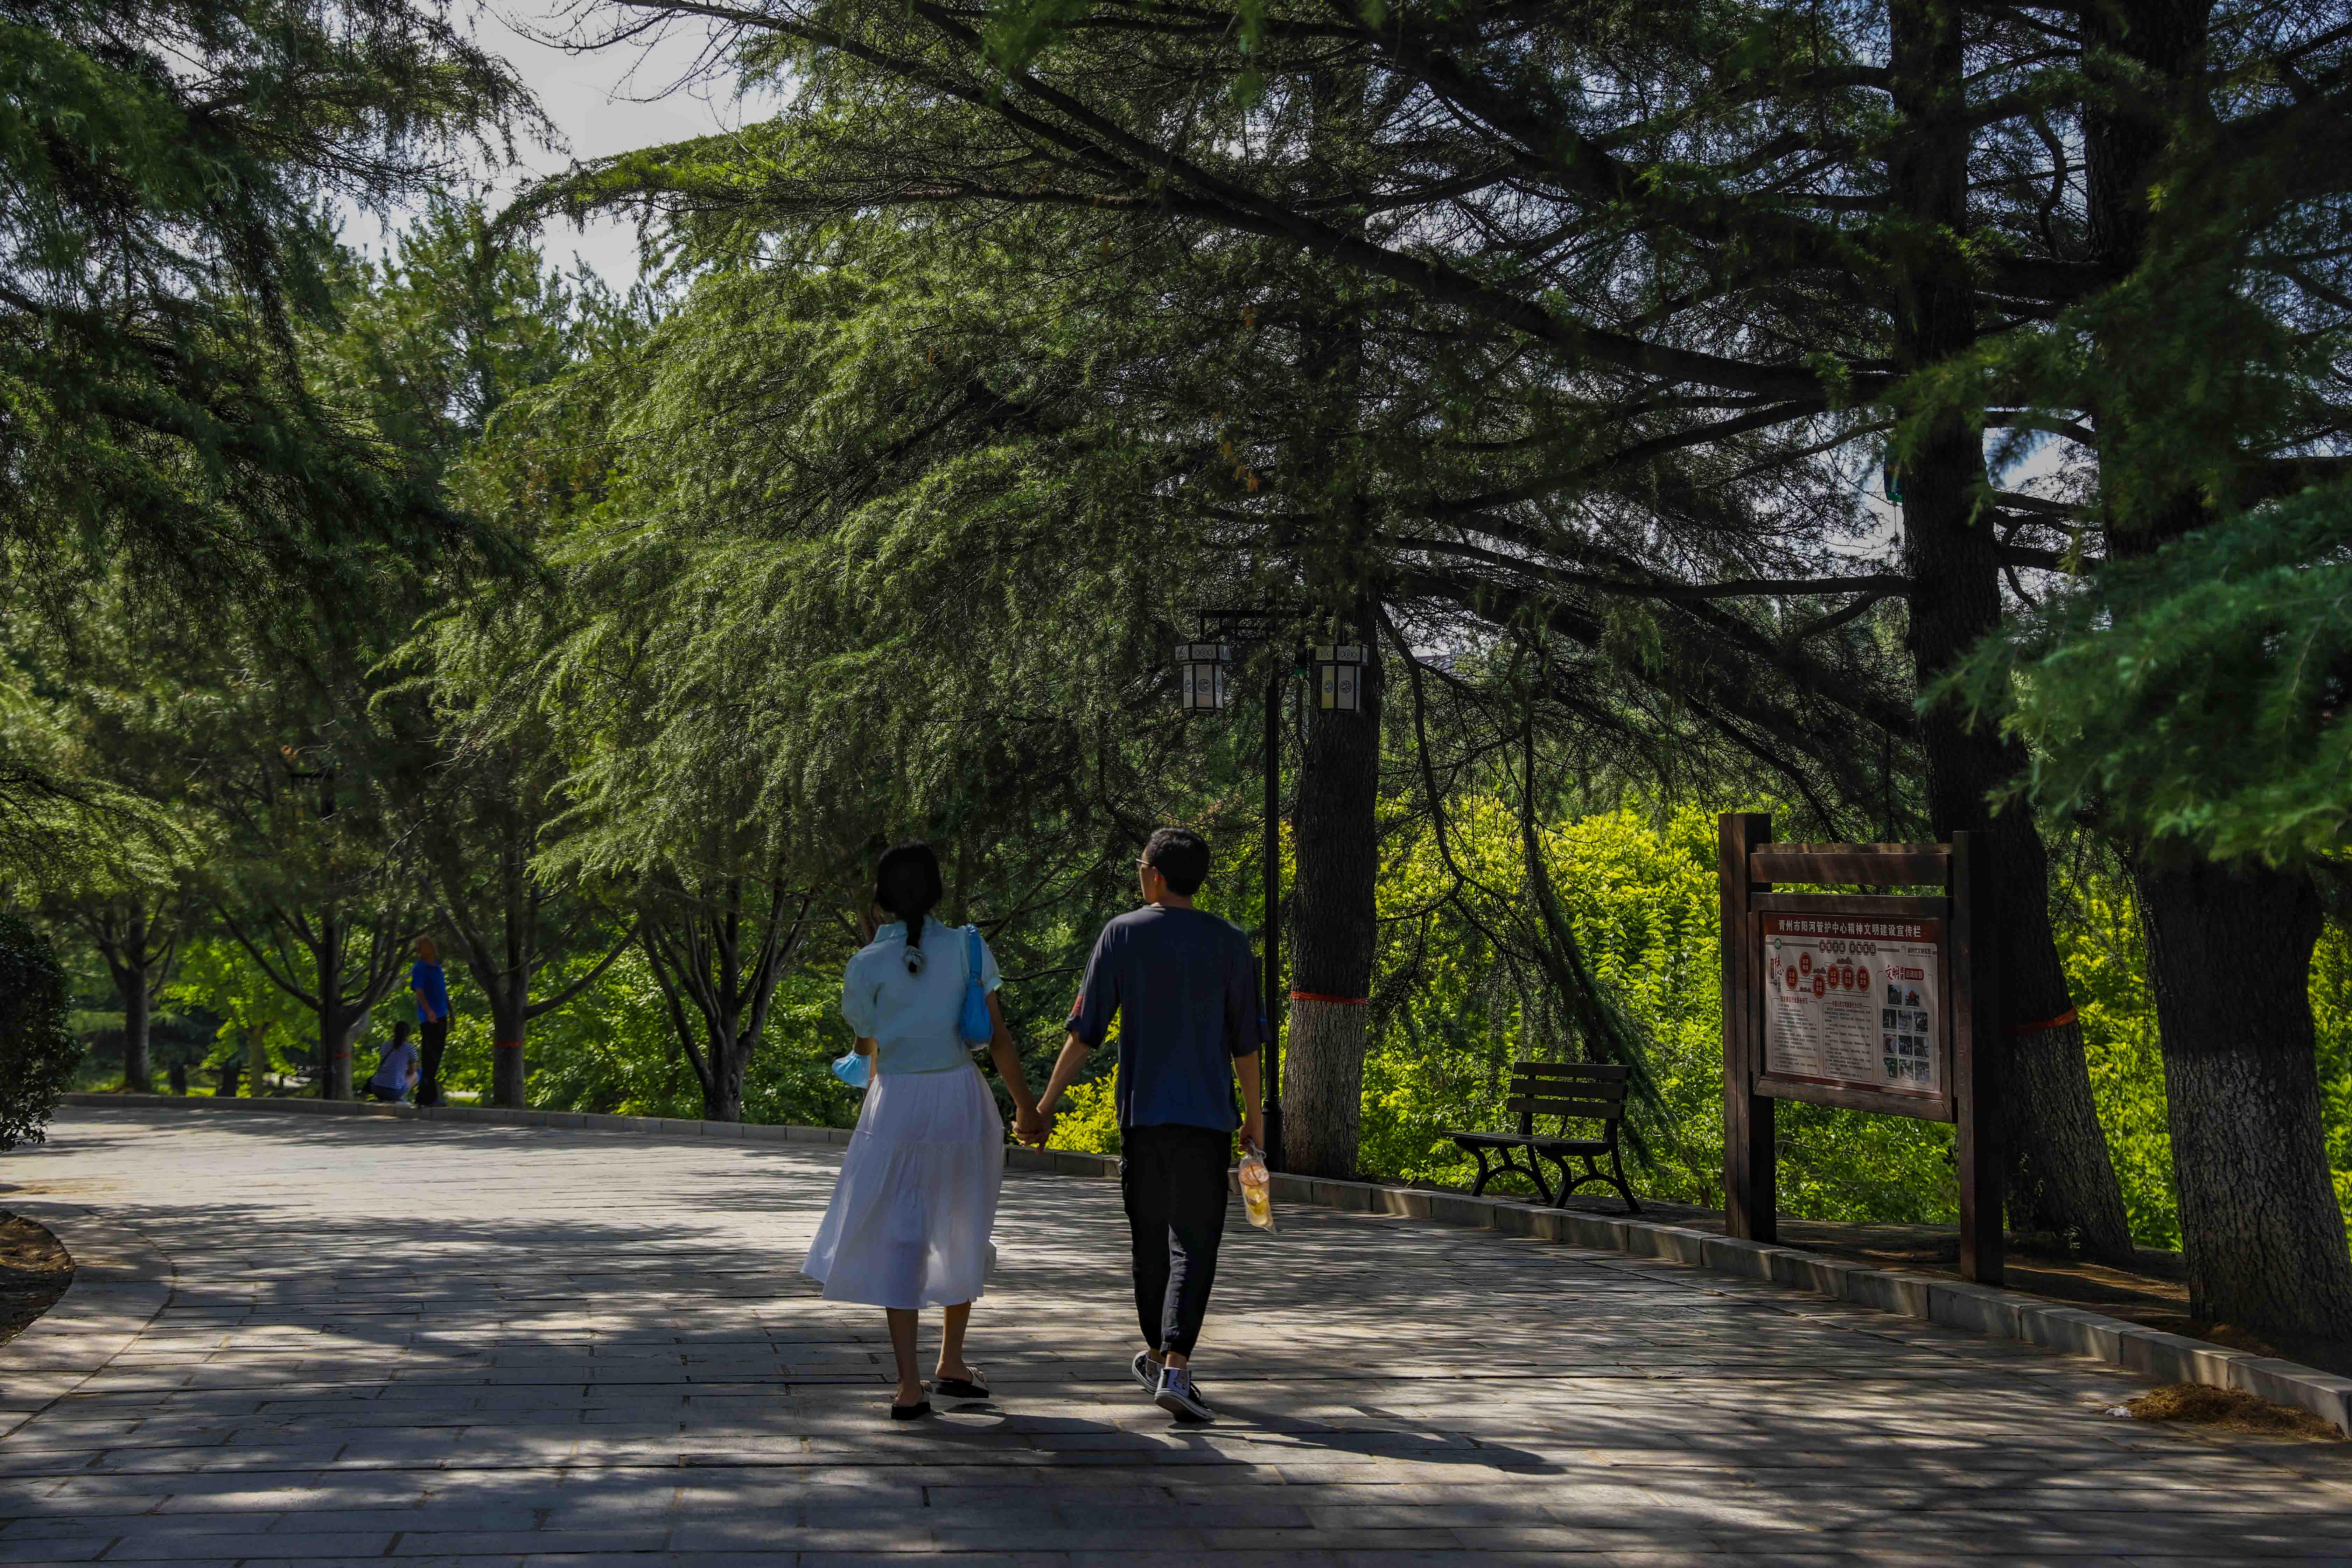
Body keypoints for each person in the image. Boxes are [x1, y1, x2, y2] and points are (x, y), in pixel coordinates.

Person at [1028, 826, 1265, 1423]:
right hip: (1208, 1119)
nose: (1139, 873)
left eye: (1141, 865)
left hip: (1144, 1119)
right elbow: (1246, 1045)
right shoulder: (1230, 942)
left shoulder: (1122, 935)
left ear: (1156, 875)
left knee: (1150, 1243)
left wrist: (1045, 1104)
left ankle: (1162, 1358)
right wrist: (1255, 1121)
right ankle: (1174, 1367)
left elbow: (1085, 1034)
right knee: (1197, 1245)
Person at [802, 841, 1045, 1420]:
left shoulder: (867, 965)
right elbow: (999, 1039)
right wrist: (1028, 1109)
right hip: (961, 1097)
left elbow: (866, 1042)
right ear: (935, 893)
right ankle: (952, 1361)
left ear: (881, 901)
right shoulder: (968, 946)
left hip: (897, 1105)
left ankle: (909, 1385)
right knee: (964, 1221)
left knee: (900, 1236)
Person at [409, 938, 451, 1105]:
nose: (432, 948)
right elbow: (419, 993)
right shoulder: (420, 968)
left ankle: (427, 1096)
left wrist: (451, 1013)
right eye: (427, 946)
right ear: (421, 950)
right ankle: (426, 1096)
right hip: (430, 1018)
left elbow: (443, 992)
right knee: (430, 1056)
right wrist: (429, 1011)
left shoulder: (437, 968)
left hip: (442, 1015)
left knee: (437, 1056)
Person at [366, 1020, 420, 1103]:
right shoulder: (410, 1048)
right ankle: (399, 1098)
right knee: (417, 1074)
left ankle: (387, 1098)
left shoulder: (385, 1045)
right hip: (393, 1092)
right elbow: (412, 1071)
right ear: (409, 1033)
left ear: (394, 1031)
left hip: (376, 1088)